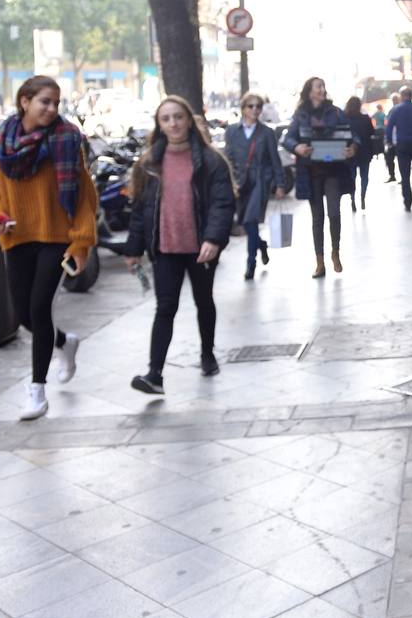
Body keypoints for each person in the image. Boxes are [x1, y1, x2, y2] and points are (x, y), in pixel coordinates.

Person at [0, 76, 98, 421]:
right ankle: (65, 342)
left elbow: (84, 195)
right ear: (24, 101)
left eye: (56, 103)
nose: (51, 109)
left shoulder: (67, 139)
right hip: (17, 236)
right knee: (25, 316)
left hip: (58, 236)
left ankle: (36, 390)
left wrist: (81, 240)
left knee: (39, 307)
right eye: (45, 101)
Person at [123, 96, 235, 393]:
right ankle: (154, 374)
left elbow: (222, 204)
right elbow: (140, 209)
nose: (173, 123)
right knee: (165, 308)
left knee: (204, 301)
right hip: (165, 248)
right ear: (159, 125)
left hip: (200, 248)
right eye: (166, 119)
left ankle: (207, 354)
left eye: (178, 117)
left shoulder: (211, 160)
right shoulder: (149, 164)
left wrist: (213, 239)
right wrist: (133, 250)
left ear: (188, 120)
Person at [282, 77, 359, 277]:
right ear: (309, 91)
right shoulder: (300, 115)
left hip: (333, 171)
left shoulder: (335, 112)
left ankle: (335, 252)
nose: (322, 90)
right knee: (317, 219)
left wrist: (353, 148)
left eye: (323, 87)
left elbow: (353, 136)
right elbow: (288, 139)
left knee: (334, 213)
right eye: (318, 87)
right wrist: (297, 147)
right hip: (310, 173)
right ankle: (319, 262)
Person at [224, 92, 285, 280]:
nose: (255, 110)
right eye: (250, 106)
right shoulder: (232, 131)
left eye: (258, 106)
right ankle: (261, 245)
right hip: (240, 182)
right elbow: (228, 158)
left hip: (260, 180)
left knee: (251, 221)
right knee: (244, 222)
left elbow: (275, 160)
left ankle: (251, 263)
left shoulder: (266, 132)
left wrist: (280, 184)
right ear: (243, 108)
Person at [344, 96, 376, 212]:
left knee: (352, 176)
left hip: (350, 152)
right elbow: (372, 132)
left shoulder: (345, 118)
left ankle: (352, 199)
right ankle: (362, 198)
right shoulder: (365, 118)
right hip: (365, 151)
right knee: (364, 176)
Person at [381, 92, 401, 182]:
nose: (394, 101)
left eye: (395, 100)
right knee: (389, 158)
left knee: (401, 160)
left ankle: (402, 177)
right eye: (393, 100)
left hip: (399, 139)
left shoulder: (401, 110)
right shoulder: (391, 111)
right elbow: (387, 125)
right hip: (392, 139)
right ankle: (392, 175)